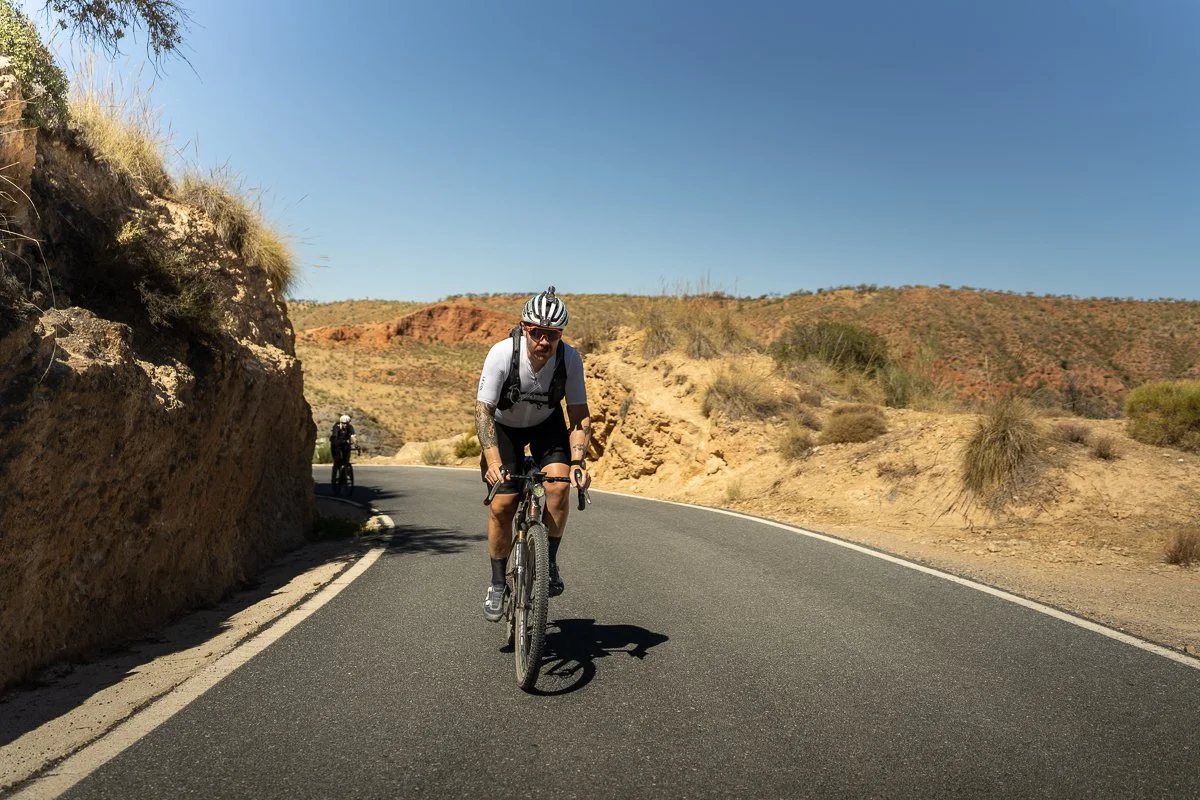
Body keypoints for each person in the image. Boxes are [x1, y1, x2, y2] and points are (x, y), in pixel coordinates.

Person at [475, 286, 592, 622]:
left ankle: (549, 561)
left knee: (557, 488)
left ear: (560, 335)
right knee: (503, 503)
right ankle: (498, 583)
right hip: (504, 428)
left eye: (552, 334)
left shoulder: (568, 359)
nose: (544, 341)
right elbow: (483, 412)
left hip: (546, 425)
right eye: (537, 332)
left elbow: (579, 414)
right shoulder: (502, 354)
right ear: (524, 328)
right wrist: (494, 462)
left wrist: (578, 461)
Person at [330, 414, 357, 483]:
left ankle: (346, 468)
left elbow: (353, 436)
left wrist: (355, 444)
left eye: (347, 423)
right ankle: (335, 473)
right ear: (341, 422)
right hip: (336, 444)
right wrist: (338, 442)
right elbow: (335, 436)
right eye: (344, 423)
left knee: (346, 458)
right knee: (337, 460)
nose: (345, 425)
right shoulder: (336, 427)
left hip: (344, 443)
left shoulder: (350, 427)